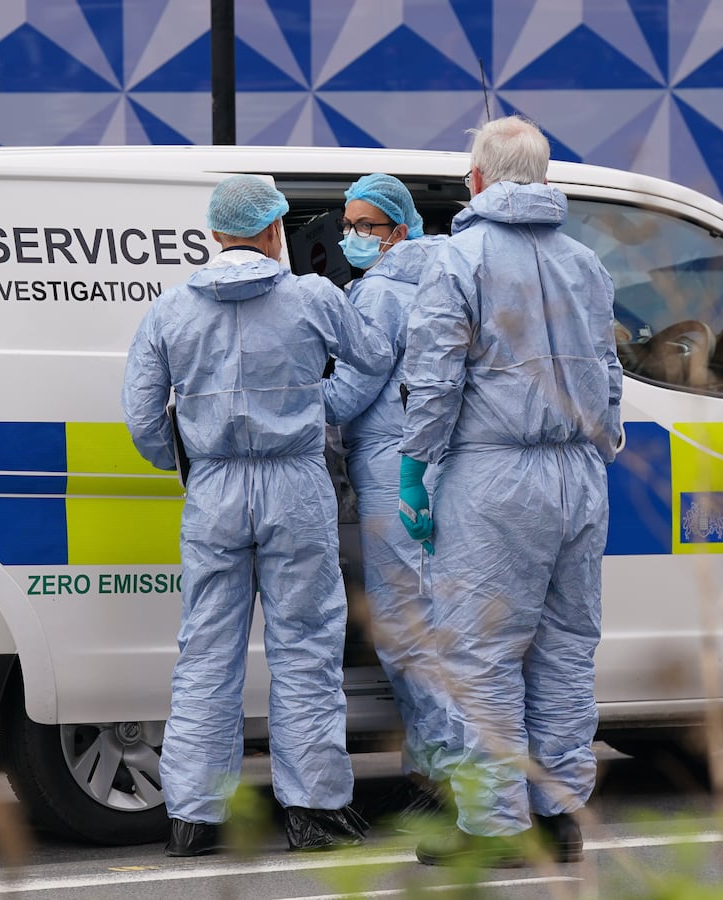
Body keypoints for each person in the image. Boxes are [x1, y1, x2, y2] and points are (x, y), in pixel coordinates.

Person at [122, 174, 394, 857]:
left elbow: (140, 415)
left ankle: (192, 817)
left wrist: (188, 463)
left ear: (214, 233)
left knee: (206, 652)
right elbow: (377, 357)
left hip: (214, 490)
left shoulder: (170, 309)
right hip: (294, 485)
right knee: (304, 648)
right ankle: (315, 811)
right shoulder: (313, 297)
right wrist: (322, 408)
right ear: (276, 230)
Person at [398, 116, 622, 867]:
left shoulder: (459, 258)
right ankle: (560, 815)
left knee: (481, 649)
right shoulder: (586, 262)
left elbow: (434, 377)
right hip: (579, 474)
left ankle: (492, 827)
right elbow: (609, 373)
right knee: (565, 649)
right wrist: (601, 444)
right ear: (545, 177)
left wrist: (414, 469)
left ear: (479, 180)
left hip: (493, 476)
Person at [321, 174, 452, 817]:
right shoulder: (445, 276)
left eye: (365, 226)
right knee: (441, 623)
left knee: (405, 630)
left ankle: (441, 779)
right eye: (346, 225)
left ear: (399, 228)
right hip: (437, 468)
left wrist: (284, 404)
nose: (351, 236)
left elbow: (352, 388)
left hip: (391, 467)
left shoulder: (377, 295)